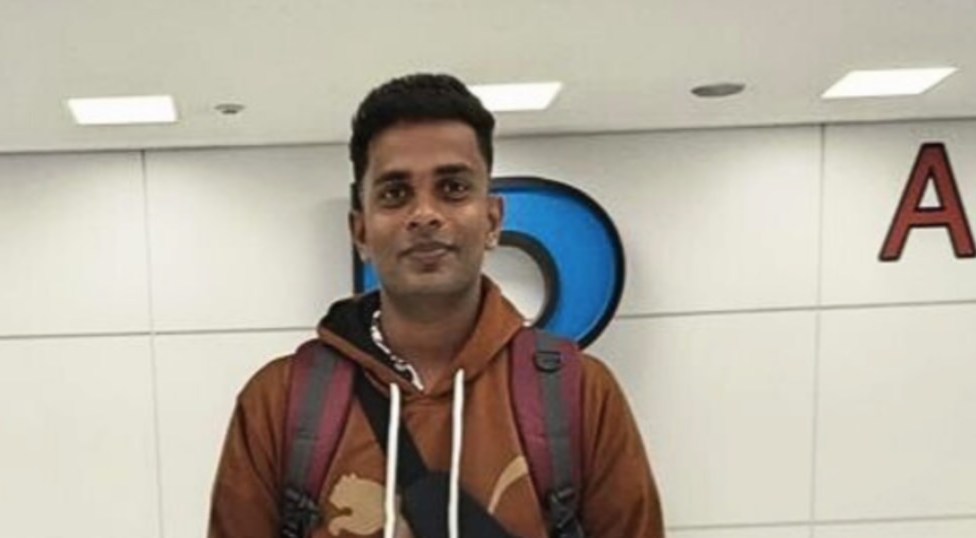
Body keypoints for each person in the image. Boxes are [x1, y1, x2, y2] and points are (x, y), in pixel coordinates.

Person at [208, 73, 663, 538]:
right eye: (395, 194)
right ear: (361, 232)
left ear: (492, 220)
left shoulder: (579, 394)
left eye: (453, 189)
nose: (424, 214)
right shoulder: (279, 403)